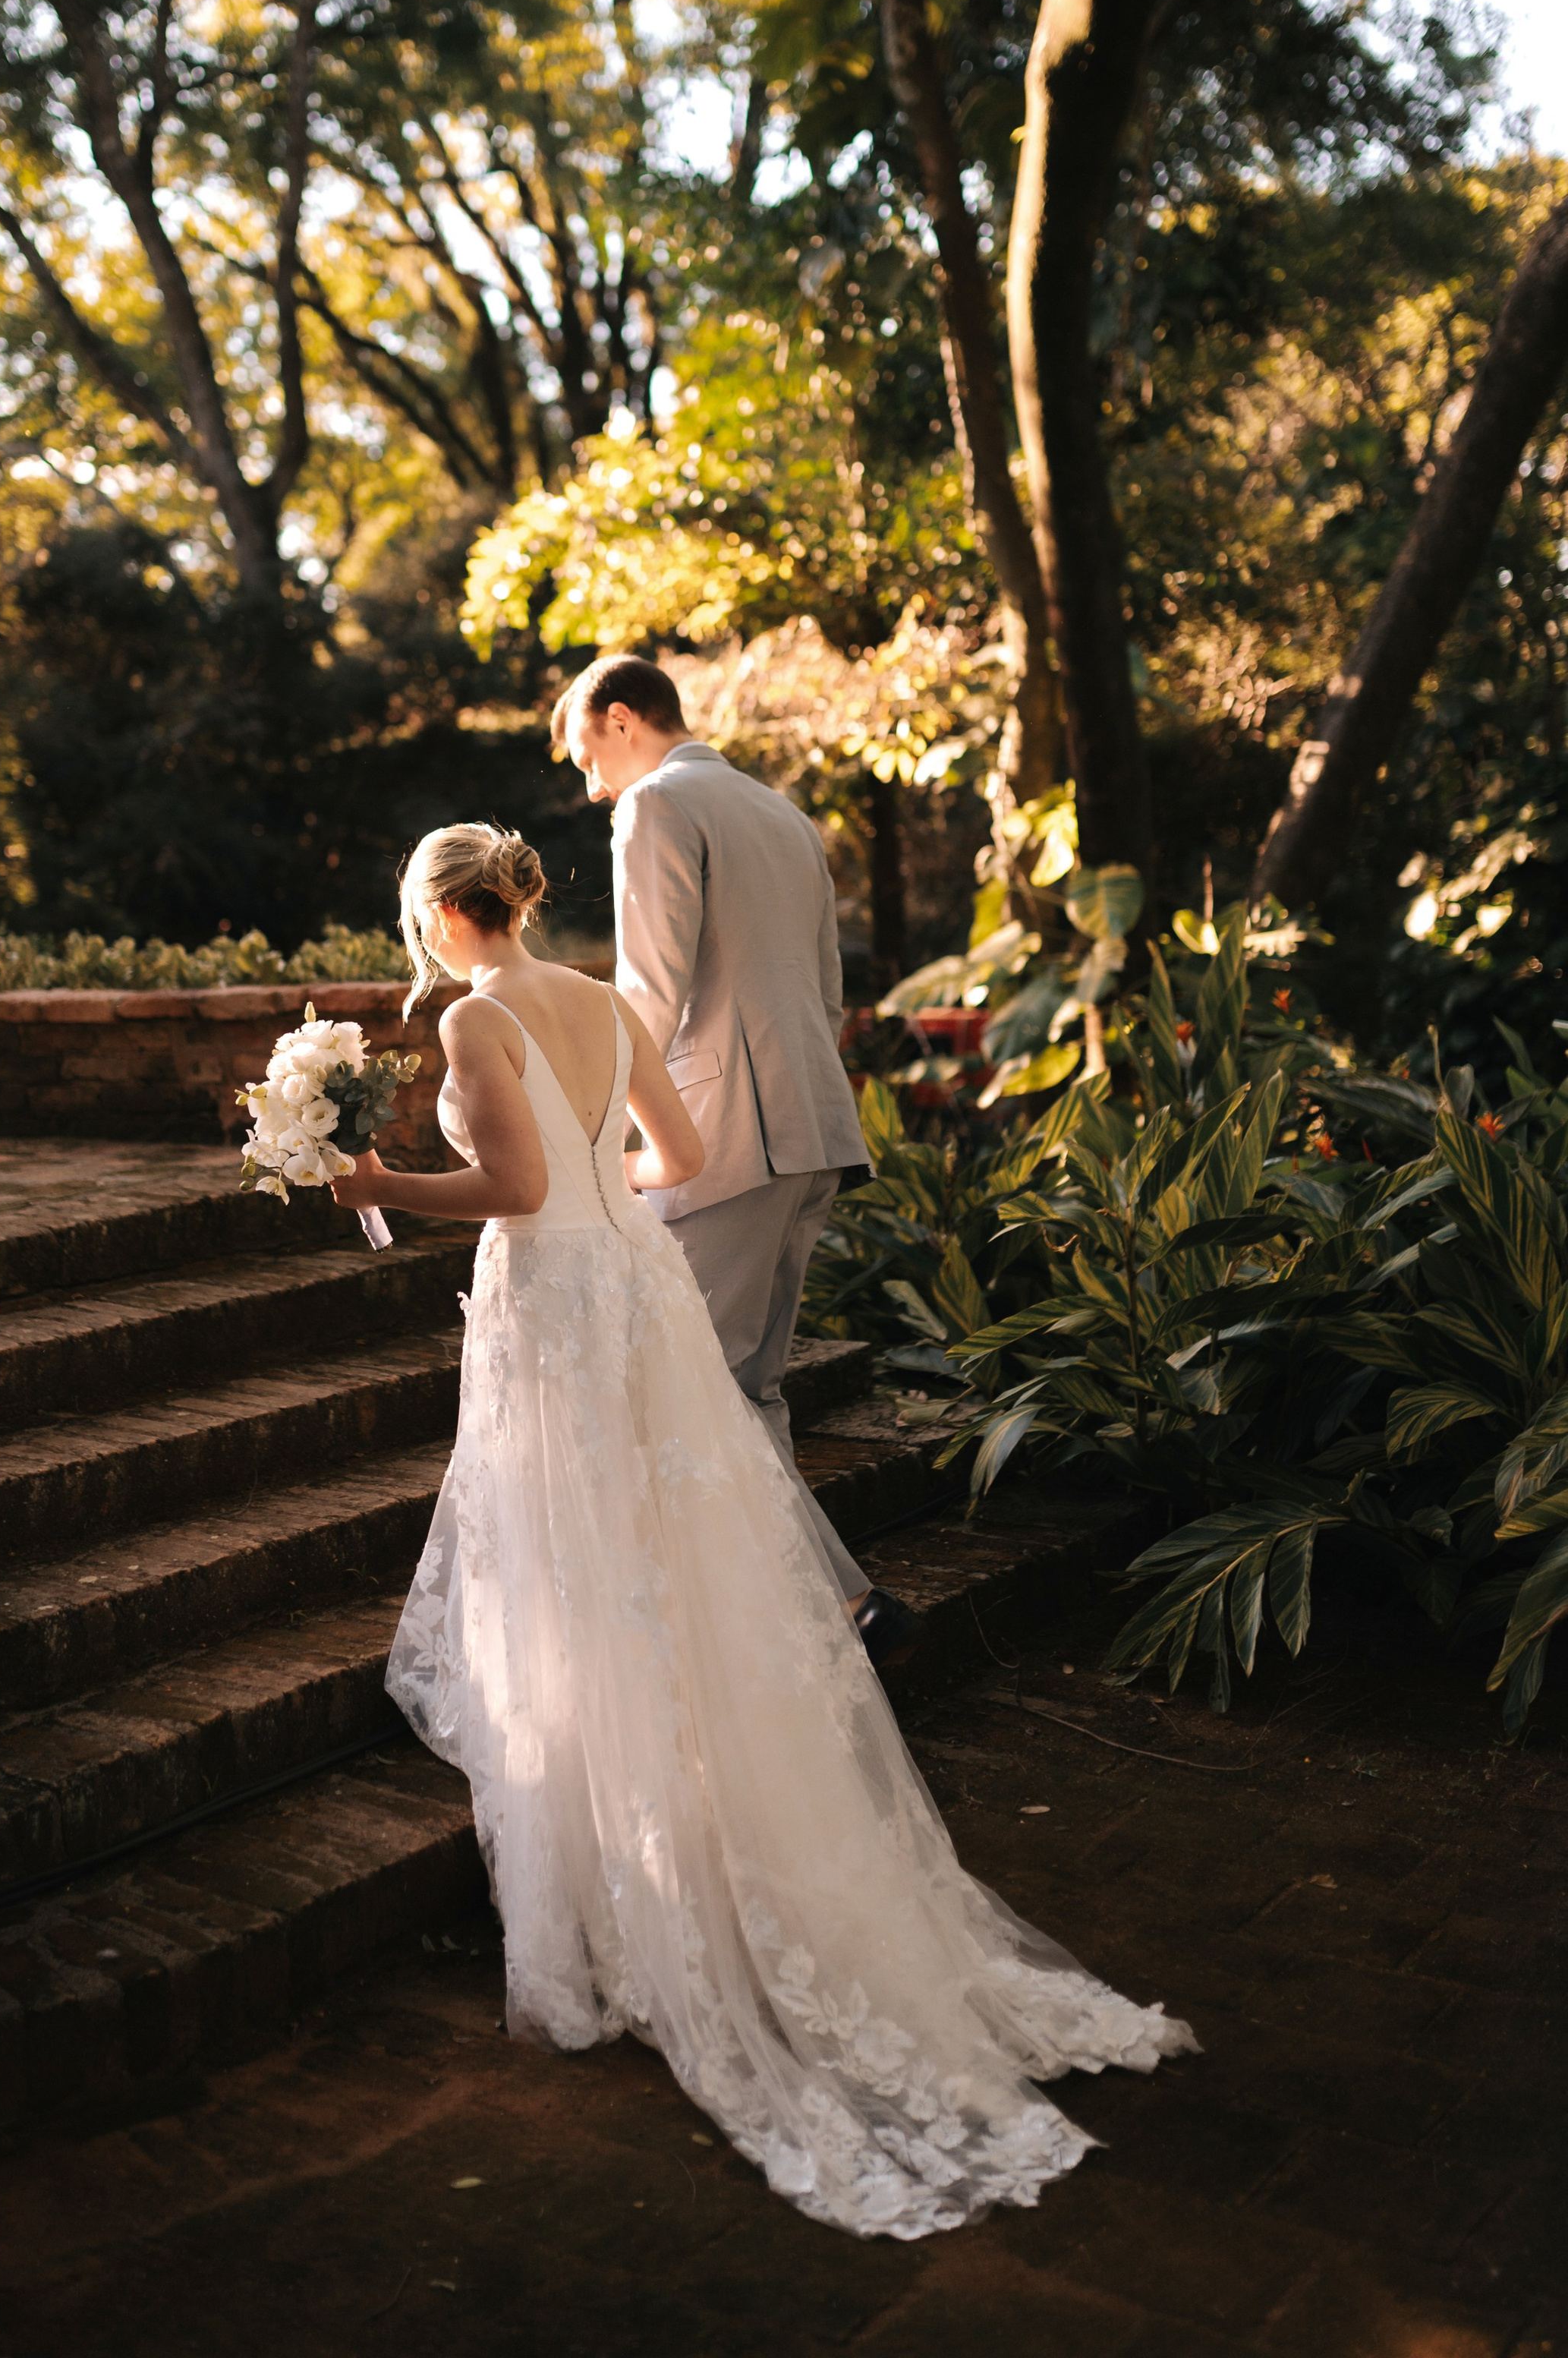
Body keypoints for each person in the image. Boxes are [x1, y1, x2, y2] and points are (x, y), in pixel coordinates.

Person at [332, 824, 1194, 2243]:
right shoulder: (608, 1003)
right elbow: (673, 1151)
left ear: (439, 910)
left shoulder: (481, 1018)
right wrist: (622, 1247)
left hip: (556, 1307)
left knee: (580, 1567)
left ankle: (633, 1883)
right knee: (669, 1557)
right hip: (638, 1296)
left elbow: (513, 1193)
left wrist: (380, 1192)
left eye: (414, 914)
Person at [550, 653, 918, 1663]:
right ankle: (796, 1625)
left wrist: (612, 1131)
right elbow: (831, 992)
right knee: (745, 1392)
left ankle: (847, 1610)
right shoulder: (782, 815)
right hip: (813, 1132)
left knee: (688, 1391)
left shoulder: (657, 808)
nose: (592, 788)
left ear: (621, 720)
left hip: (720, 1142)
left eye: (588, 757)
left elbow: (650, 992)